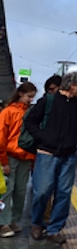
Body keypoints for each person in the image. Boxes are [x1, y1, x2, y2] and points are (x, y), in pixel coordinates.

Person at [25, 71, 77, 245]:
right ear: (72, 86)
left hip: (68, 155)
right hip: (47, 154)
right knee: (42, 191)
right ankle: (37, 223)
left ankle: (55, 229)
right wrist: (43, 137)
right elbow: (30, 121)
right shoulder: (49, 101)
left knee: (63, 193)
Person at [0, 82, 38, 237]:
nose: (30, 100)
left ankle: (12, 220)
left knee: (20, 191)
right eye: (29, 96)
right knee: (7, 191)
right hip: (11, 156)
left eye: (32, 97)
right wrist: (4, 161)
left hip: (24, 157)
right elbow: (1, 137)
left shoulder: (26, 112)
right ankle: (3, 223)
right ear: (21, 94)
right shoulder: (8, 112)